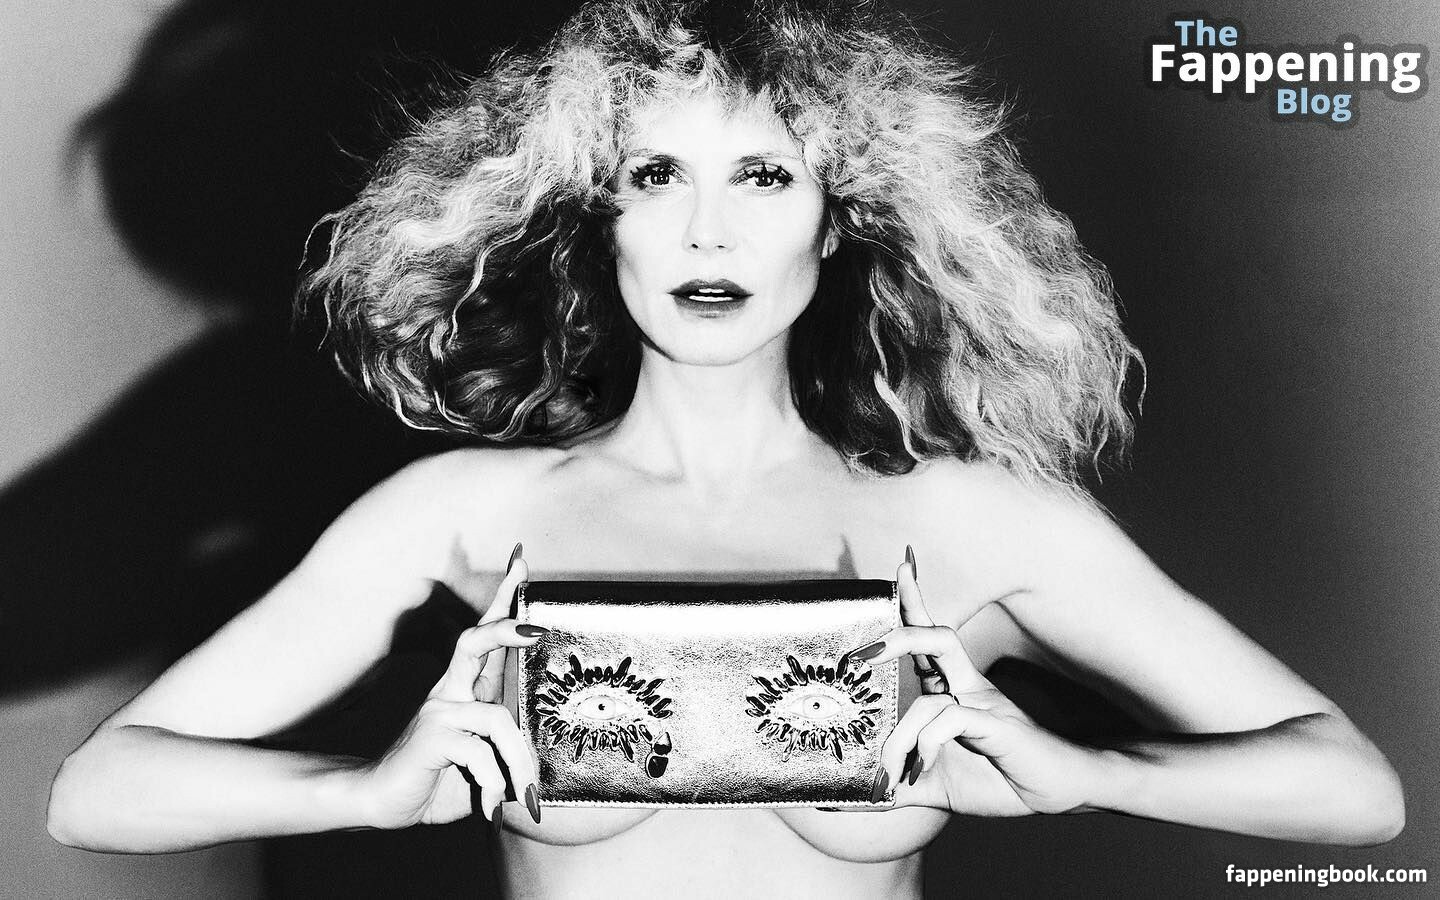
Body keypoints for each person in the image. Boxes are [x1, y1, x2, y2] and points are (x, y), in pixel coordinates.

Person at [48, 0, 1403, 896]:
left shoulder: (978, 523)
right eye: (657, 177)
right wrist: (370, 793)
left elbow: (1354, 794)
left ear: (838, 219)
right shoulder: (462, 515)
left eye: (762, 176)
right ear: (594, 218)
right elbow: (100, 793)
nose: (709, 232)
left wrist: (1085, 776)